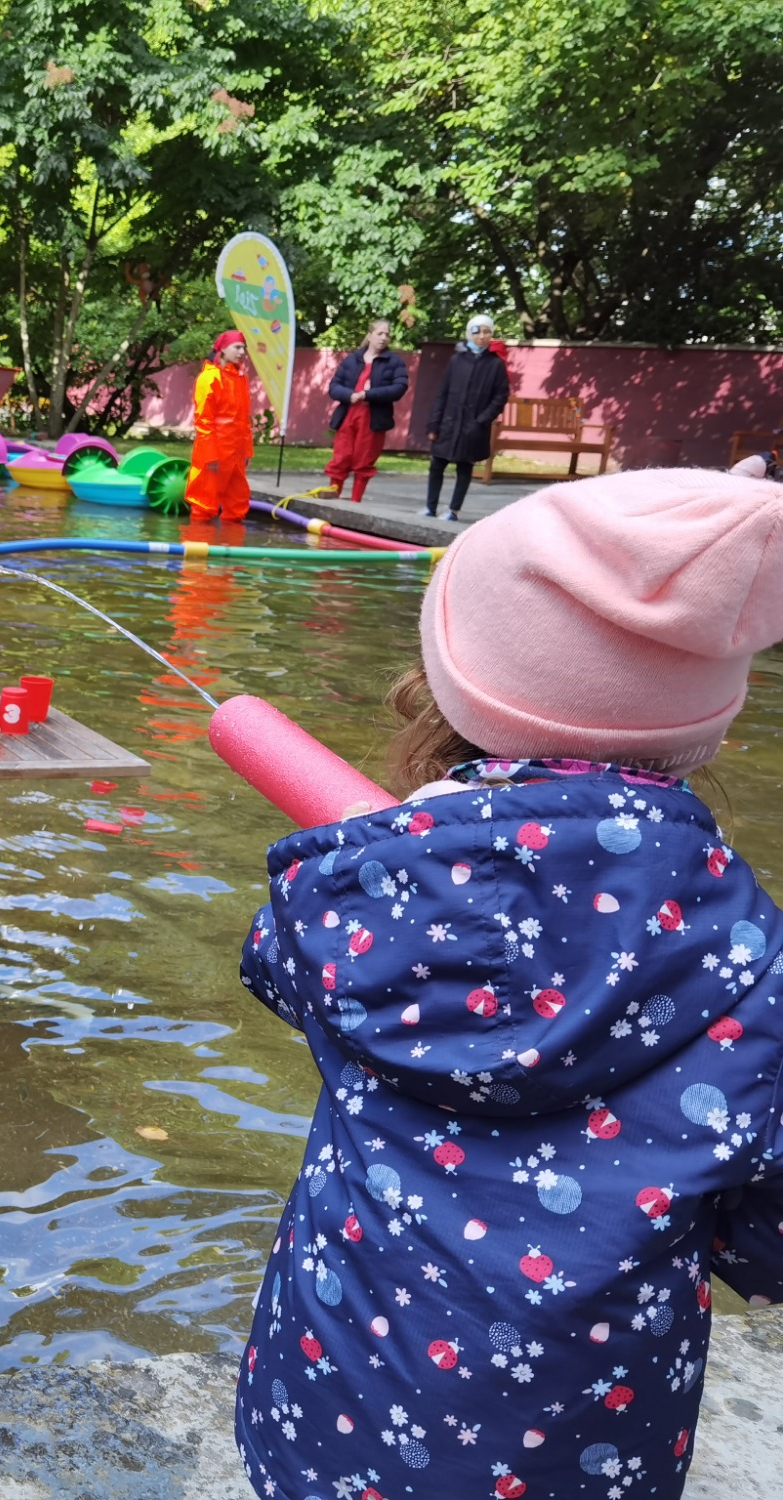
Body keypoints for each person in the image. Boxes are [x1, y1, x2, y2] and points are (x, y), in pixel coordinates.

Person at [234, 469, 783, 1500]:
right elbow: (766, 1233)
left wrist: (409, 842)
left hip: (330, 1408)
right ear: (707, 719)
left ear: (452, 686)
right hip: (578, 1447)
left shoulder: (358, 895)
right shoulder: (754, 962)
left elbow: (278, 969)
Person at [422, 315, 510, 521]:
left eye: (487, 331)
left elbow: (501, 396)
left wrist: (482, 420)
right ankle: (430, 507)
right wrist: (434, 423)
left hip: (474, 426)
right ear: (469, 333)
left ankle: (453, 510)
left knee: (465, 466)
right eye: (477, 331)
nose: (482, 336)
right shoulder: (457, 359)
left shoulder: (495, 364)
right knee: (437, 464)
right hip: (449, 423)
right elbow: (443, 392)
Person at [315, 319, 409, 504]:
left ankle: (355, 502)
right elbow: (334, 386)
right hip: (348, 415)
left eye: (387, 334)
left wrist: (369, 395)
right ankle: (333, 497)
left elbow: (399, 388)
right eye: (380, 333)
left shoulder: (394, 362)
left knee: (364, 459)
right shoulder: (352, 360)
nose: (383, 338)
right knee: (341, 456)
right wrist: (349, 395)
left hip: (373, 418)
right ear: (370, 335)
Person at [186, 332, 253, 521]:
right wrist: (210, 454)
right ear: (222, 349)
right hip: (214, 452)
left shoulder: (240, 377)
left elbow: (244, 419)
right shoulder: (209, 378)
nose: (242, 352)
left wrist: (246, 451)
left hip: (236, 454)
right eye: (237, 347)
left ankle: (232, 546)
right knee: (203, 504)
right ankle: (198, 543)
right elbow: (203, 420)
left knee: (238, 505)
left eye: (244, 348)